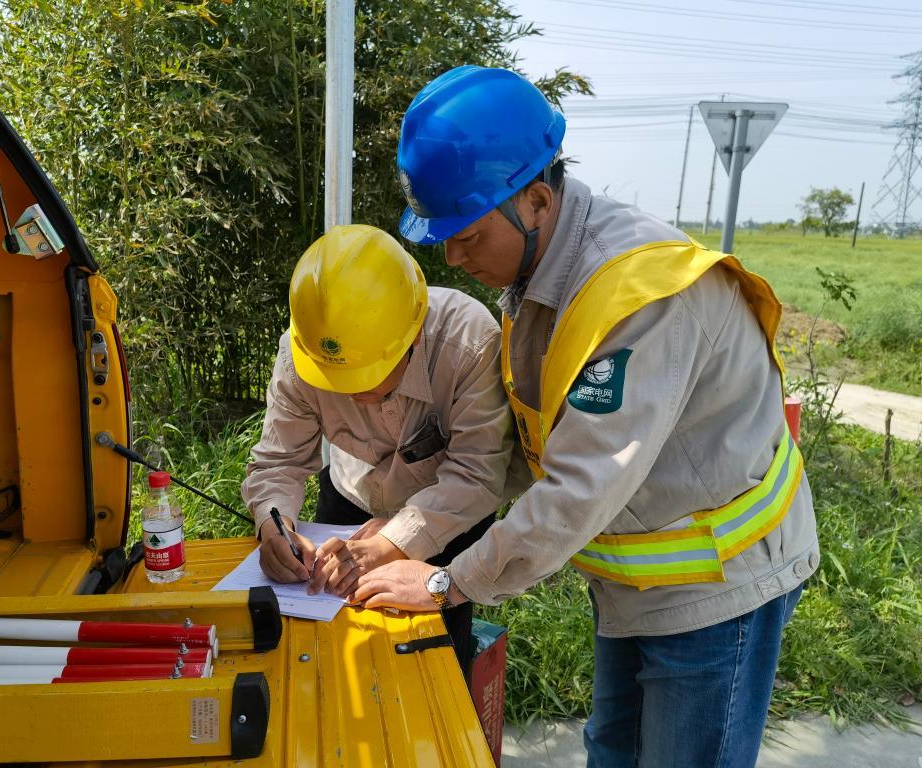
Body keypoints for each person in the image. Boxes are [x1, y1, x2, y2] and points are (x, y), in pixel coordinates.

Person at [354, 66, 819, 768]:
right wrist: (399, 534)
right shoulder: (538, 282)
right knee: (613, 753)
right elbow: (519, 451)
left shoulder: (638, 299)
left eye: (469, 235)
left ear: (536, 201)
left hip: (717, 588)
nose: (452, 258)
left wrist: (446, 583)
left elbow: (577, 487)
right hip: (637, 581)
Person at [241, 223, 515, 673]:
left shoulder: (468, 343)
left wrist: (395, 542)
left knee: (436, 662)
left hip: (448, 519)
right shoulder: (301, 352)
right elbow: (279, 460)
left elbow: (476, 475)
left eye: (365, 376)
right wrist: (274, 527)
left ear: (411, 336)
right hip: (349, 504)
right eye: (334, 379)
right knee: (337, 658)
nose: (349, 395)